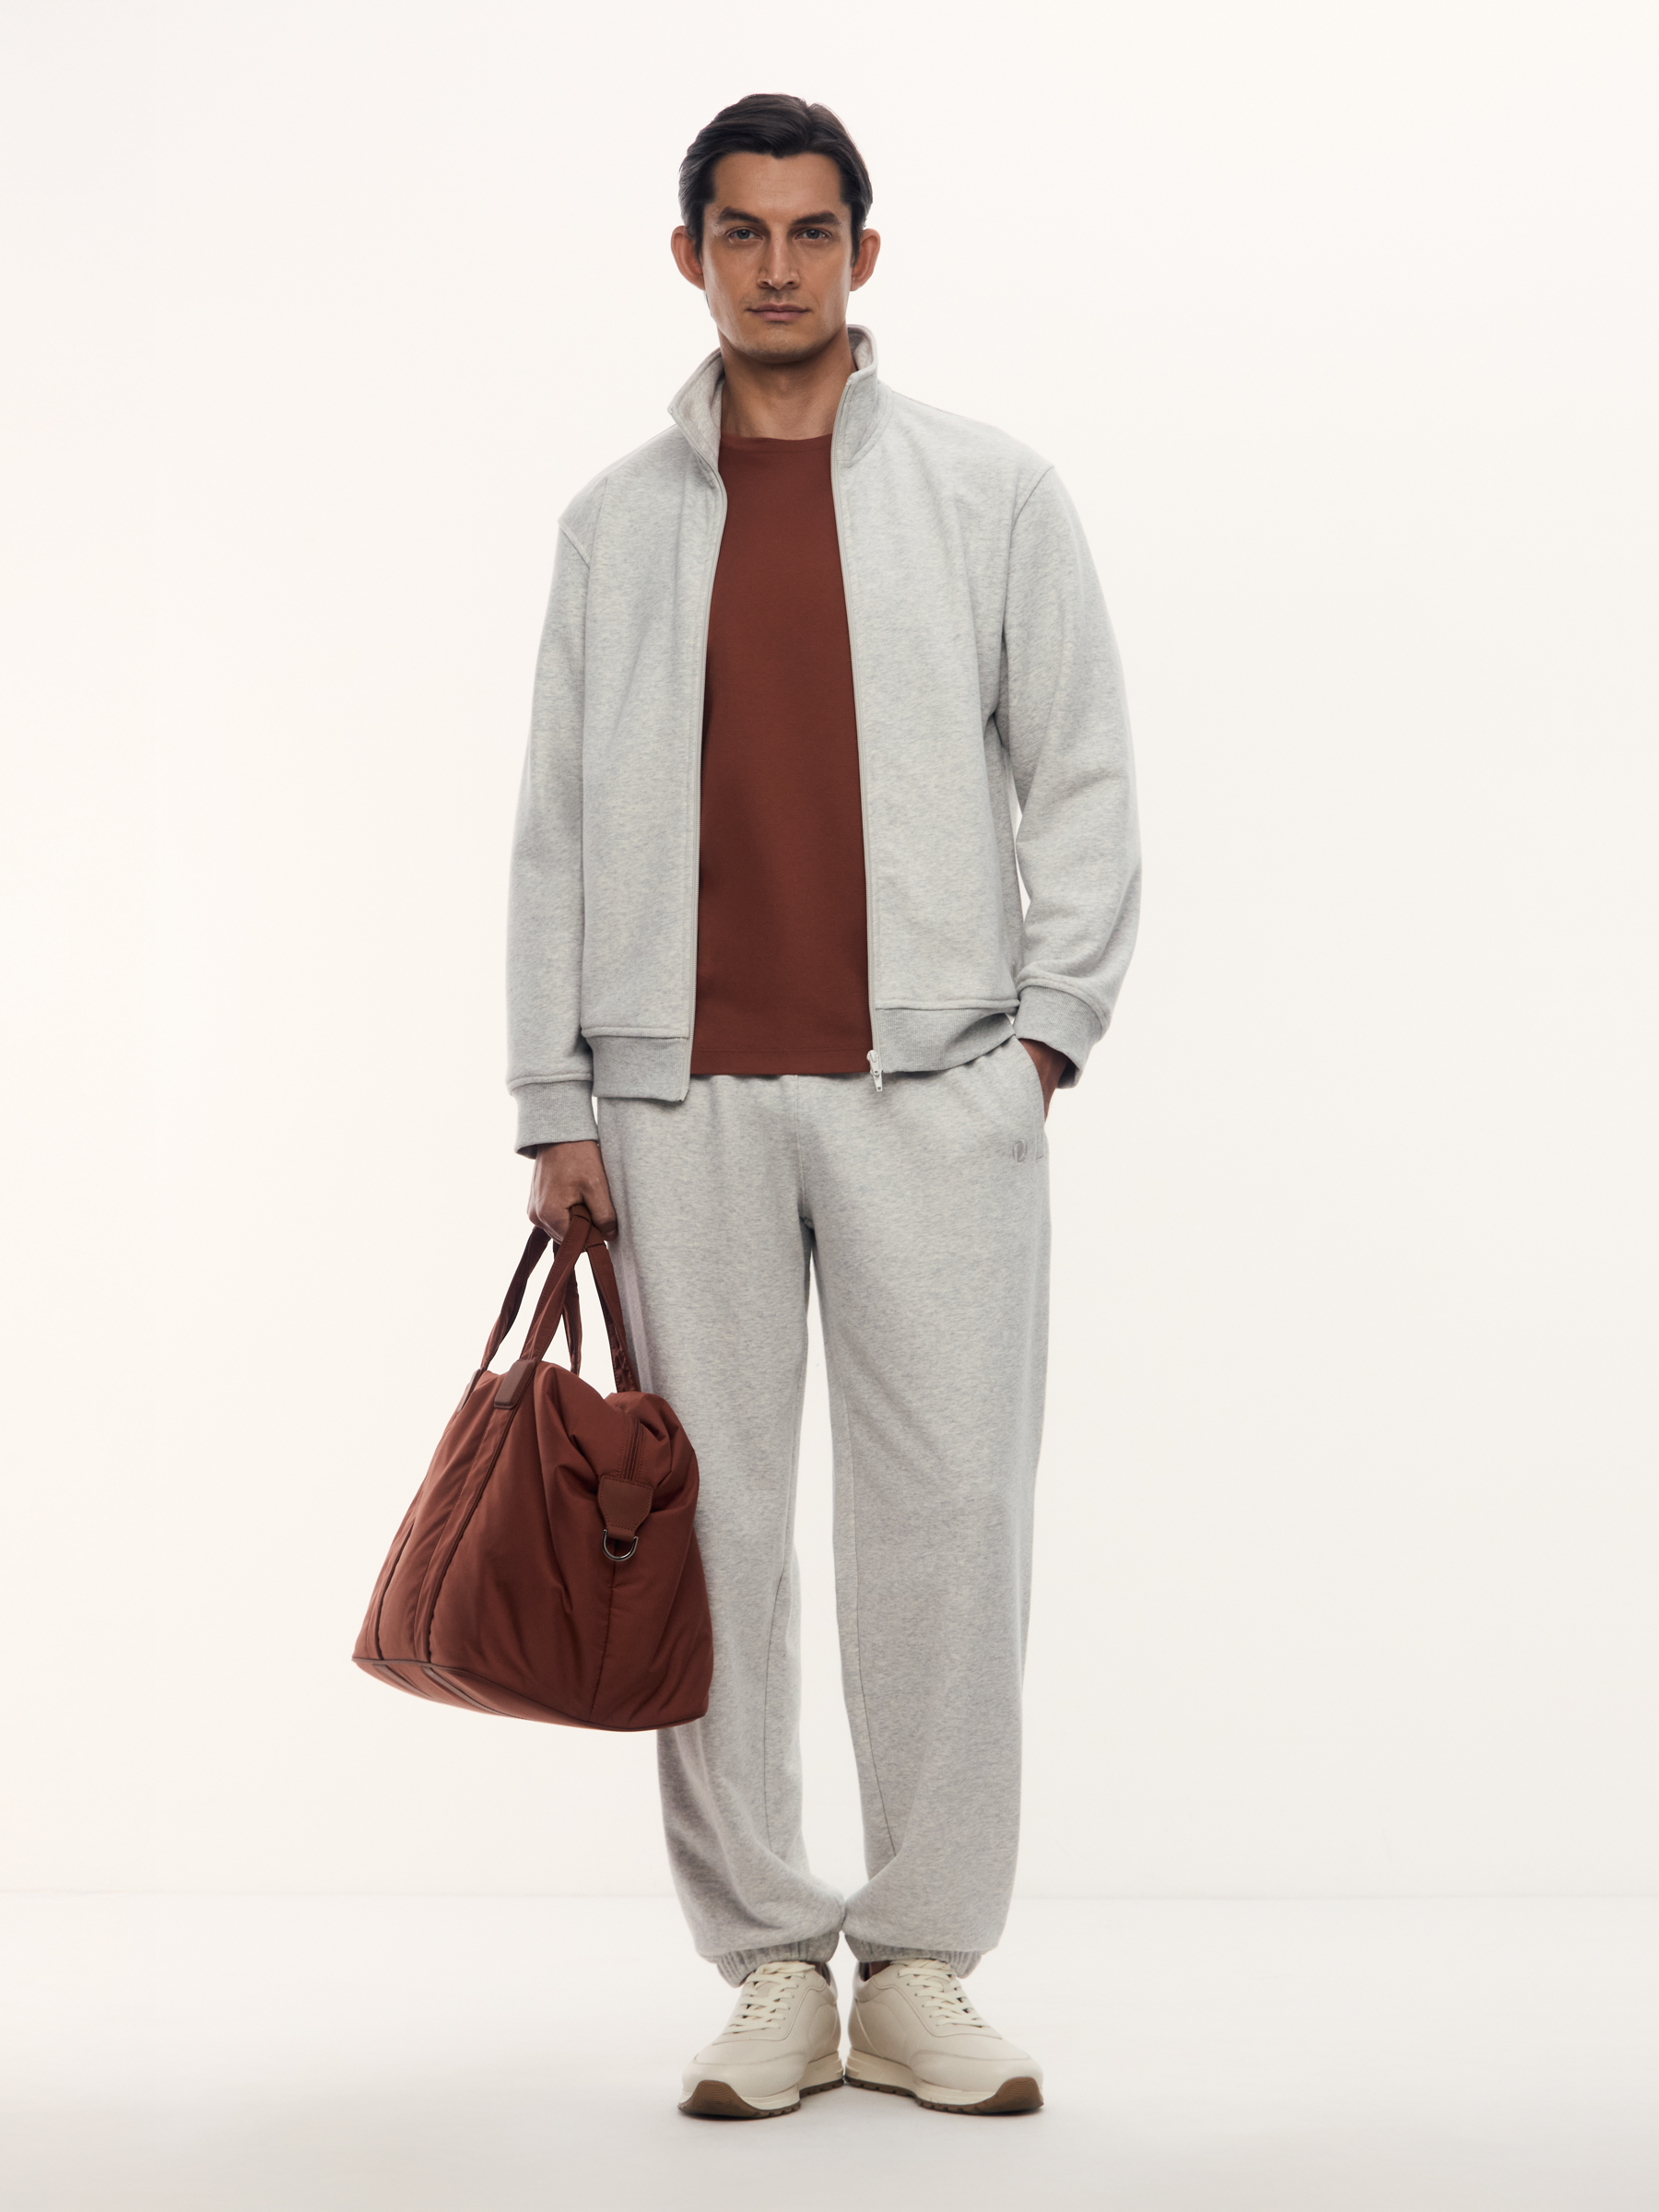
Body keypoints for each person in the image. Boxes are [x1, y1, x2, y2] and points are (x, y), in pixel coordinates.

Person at [507, 92, 1139, 2119]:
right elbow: (554, 829)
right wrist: (554, 1097)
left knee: (951, 1523)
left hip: (931, 1095)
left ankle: (926, 1960)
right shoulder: (614, 524)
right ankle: (771, 1964)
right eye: (740, 231)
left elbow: (1084, 774)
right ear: (688, 256)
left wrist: (1043, 1042)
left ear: (866, 254)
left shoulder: (991, 493)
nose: (775, 264)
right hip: (675, 1105)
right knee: (716, 1541)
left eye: (810, 231)